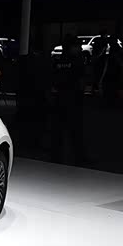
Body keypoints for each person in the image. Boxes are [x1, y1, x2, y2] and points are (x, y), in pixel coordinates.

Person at [50, 35, 87, 164]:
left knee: (58, 129)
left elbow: (53, 79)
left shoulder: (57, 60)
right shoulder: (78, 61)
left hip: (59, 98)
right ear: (71, 47)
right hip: (73, 98)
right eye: (78, 46)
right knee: (76, 129)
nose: (80, 48)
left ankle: (56, 156)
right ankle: (79, 157)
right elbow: (82, 80)